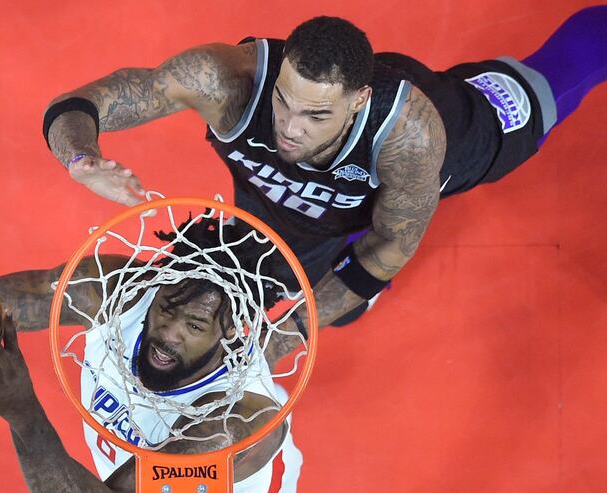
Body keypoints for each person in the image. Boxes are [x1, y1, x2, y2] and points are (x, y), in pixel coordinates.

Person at [42, 7, 607, 335]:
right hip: (303, 208)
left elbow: (391, 246)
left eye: (314, 116)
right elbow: (79, 104)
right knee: (332, 307)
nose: (288, 128)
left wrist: (285, 341)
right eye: (284, 102)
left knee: (552, 79)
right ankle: (336, 233)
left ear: (358, 100)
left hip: (452, 137)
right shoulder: (226, 80)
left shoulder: (412, 138)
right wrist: (80, 160)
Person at [0, 217, 305, 493]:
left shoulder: (239, 426)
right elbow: (0, 308)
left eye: (193, 325)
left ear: (231, 331)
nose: (168, 333)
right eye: (167, 309)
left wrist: (23, 414)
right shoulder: (117, 292)